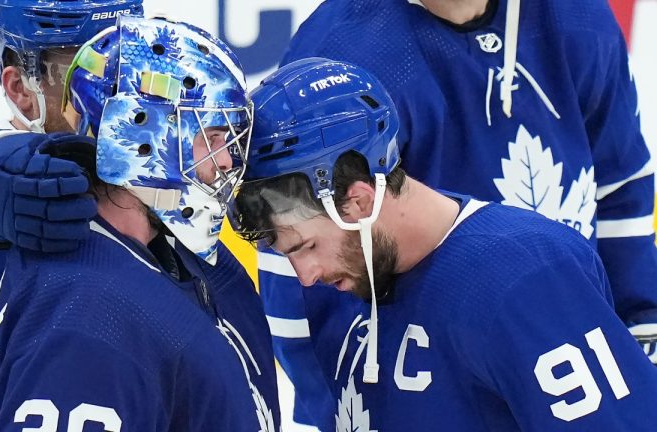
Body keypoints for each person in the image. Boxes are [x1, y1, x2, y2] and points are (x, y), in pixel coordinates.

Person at [258, 0, 657, 428]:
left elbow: (620, 186)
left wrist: (639, 333)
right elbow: (300, 258)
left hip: (554, 313)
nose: (303, 270)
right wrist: (343, 414)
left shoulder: (575, 17)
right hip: (420, 358)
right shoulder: (343, 52)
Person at [0, 16, 280, 431]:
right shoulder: (85, 315)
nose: (225, 161)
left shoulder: (194, 265)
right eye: (211, 136)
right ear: (141, 133)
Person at [0, 0, 144, 428]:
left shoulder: (150, 170)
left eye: (128, 66)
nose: (117, 93)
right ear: (19, 87)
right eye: (87, 74)